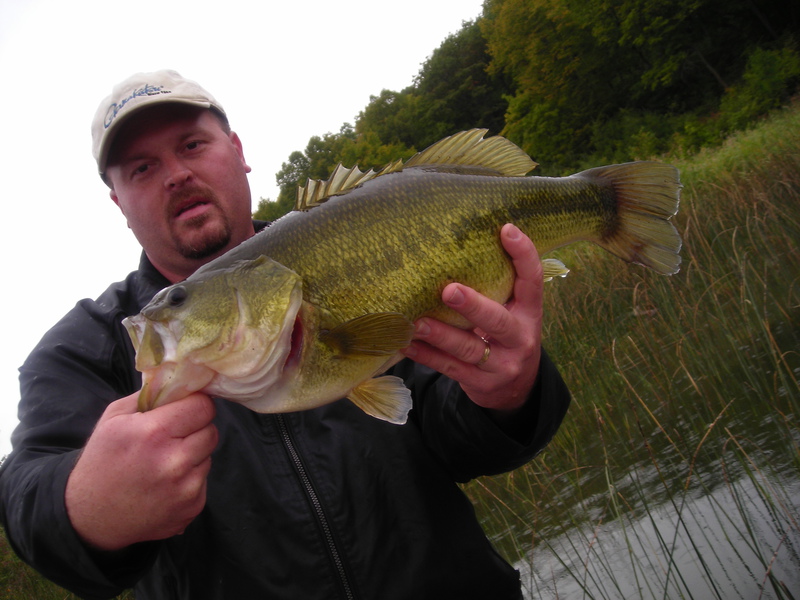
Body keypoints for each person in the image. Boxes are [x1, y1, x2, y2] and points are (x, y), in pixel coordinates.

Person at [0, 70, 570, 600]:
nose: (176, 174)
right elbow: (27, 490)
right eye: (141, 168)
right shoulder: (83, 348)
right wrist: (83, 507)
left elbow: (462, 441)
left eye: (192, 145)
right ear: (118, 202)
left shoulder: (345, 242)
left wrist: (511, 394)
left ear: (238, 151)